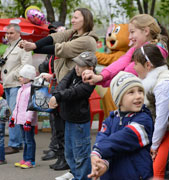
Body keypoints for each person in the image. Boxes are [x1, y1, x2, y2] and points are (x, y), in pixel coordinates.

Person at [19, 7, 98, 175]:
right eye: (73, 17)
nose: (73, 20)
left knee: (75, 137)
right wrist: (35, 44)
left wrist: (34, 47)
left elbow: (62, 48)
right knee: (62, 128)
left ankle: (77, 170)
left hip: (73, 90)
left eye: (76, 17)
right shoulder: (72, 33)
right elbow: (56, 36)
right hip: (62, 84)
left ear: (86, 19)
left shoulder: (87, 40)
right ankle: (69, 164)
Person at [88, 71, 154, 180]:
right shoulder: (111, 119)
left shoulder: (144, 119)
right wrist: (103, 162)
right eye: (131, 92)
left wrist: (98, 151)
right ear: (119, 99)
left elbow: (122, 139)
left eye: (140, 91)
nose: (138, 96)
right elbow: (102, 139)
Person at [82, 14, 169, 87]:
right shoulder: (136, 49)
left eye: (132, 32)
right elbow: (121, 62)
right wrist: (99, 77)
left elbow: (126, 75)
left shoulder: (154, 52)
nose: (129, 37)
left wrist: (99, 79)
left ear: (146, 31)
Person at [49, 51, 97, 180]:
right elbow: (63, 82)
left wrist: (58, 96)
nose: (77, 67)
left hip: (79, 123)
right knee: (69, 153)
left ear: (90, 68)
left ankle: (83, 177)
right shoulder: (74, 72)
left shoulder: (90, 81)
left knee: (81, 155)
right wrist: (56, 95)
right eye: (76, 64)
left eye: (80, 65)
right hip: (68, 120)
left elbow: (73, 92)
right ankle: (76, 175)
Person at [133, 43, 169, 178]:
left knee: (157, 170)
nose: (134, 68)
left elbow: (162, 119)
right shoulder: (158, 80)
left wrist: (154, 145)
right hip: (166, 132)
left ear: (148, 65)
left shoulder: (163, 84)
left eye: (136, 64)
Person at [0, 23, 33, 154]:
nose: (8, 35)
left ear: (19, 33)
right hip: (7, 85)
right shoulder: (9, 48)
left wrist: (13, 75)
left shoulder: (23, 47)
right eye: (7, 33)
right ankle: (15, 142)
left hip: (16, 85)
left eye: (11, 33)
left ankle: (15, 144)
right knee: (10, 114)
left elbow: (26, 65)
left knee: (14, 113)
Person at [40, 21, 66, 162]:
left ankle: (57, 149)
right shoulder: (52, 51)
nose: (51, 34)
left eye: (54, 31)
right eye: (51, 32)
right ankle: (54, 146)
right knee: (53, 119)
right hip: (53, 86)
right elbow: (46, 66)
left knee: (59, 120)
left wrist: (52, 76)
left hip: (61, 87)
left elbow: (66, 71)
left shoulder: (64, 49)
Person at [9, 64, 38, 169]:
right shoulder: (21, 89)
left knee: (29, 140)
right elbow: (17, 106)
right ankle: (25, 159)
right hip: (21, 120)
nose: (19, 78)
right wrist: (13, 118)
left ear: (28, 78)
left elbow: (31, 107)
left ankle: (31, 160)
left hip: (27, 121)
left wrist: (28, 121)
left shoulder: (30, 90)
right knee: (25, 140)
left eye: (21, 76)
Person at [0, 84, 11, 165]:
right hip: (1, 123)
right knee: (1, 141)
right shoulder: (3, 101)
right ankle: (1, 159)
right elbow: (7, 113)